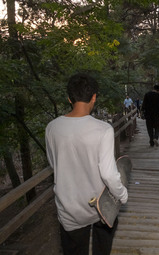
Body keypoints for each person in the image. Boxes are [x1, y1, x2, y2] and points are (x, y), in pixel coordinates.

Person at [45, 73, 128, 255]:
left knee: (73, 249)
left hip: (68, 207)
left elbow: (54, 163)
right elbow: (108, 174)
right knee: (102, 246)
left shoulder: (52, 127)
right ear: (94, 97)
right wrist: (122, 194)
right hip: (100, 205)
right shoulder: (103, 129)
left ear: (69, 98)